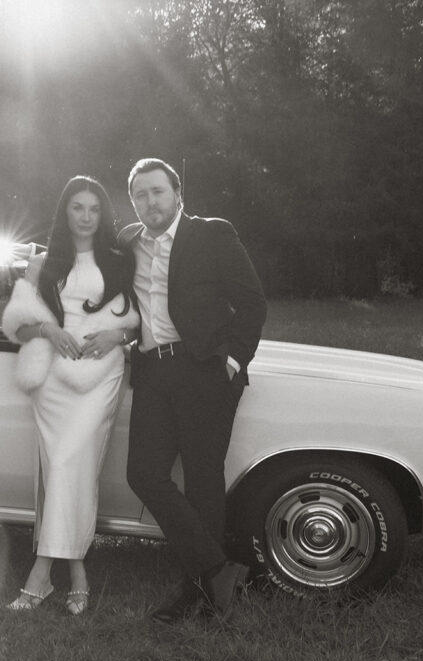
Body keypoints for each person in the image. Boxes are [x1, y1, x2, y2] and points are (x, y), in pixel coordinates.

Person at [117, 158, 267, 624]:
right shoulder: (128, 243)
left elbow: (252, 303)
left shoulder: (212, 234)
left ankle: (199, 591)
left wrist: (232, 362)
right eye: (140, 195)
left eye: (157, 191)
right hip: (152, 372)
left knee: (202, 479)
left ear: (178, 193)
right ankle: (219, 570)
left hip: (204, 371)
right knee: (144, 474)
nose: (150, 202)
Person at [1, 175, 139, 615]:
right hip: (53, 381)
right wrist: (49, 329)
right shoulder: (42, 263)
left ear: (103, 214)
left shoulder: (120, 261)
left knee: (67, 464)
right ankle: (77, 573)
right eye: (77, 207)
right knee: (67, 470)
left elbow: (141, 321)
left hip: (101, 374)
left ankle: (40, 575)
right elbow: (17, 326)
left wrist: (117, 335)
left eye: (94, 208)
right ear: (65, 211)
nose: (85, 216)